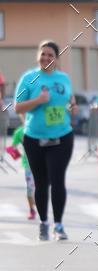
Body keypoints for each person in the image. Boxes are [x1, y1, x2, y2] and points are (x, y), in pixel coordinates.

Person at [14, 40, 76, 241]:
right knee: (41, 183)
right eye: (43, 54)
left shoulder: (63, 78)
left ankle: (58, 225)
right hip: (34, 138)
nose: (46, 58)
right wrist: (38, 101)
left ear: (56, 58)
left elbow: (70, 100)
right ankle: (43, 222)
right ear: (38, 56)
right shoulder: (29, 78)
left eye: (50, 55)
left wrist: (72, 108)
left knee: (58, 180)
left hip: (62, 137)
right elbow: (18, 107)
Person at [7, 122, 36, 219]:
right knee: (29, 189)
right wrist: (13, 151)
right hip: (28, 164)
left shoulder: (40, 127)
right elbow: (12, 148)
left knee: (40, 187)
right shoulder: (19, 132)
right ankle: (32, 209)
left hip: (43, 163)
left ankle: (38, 203)